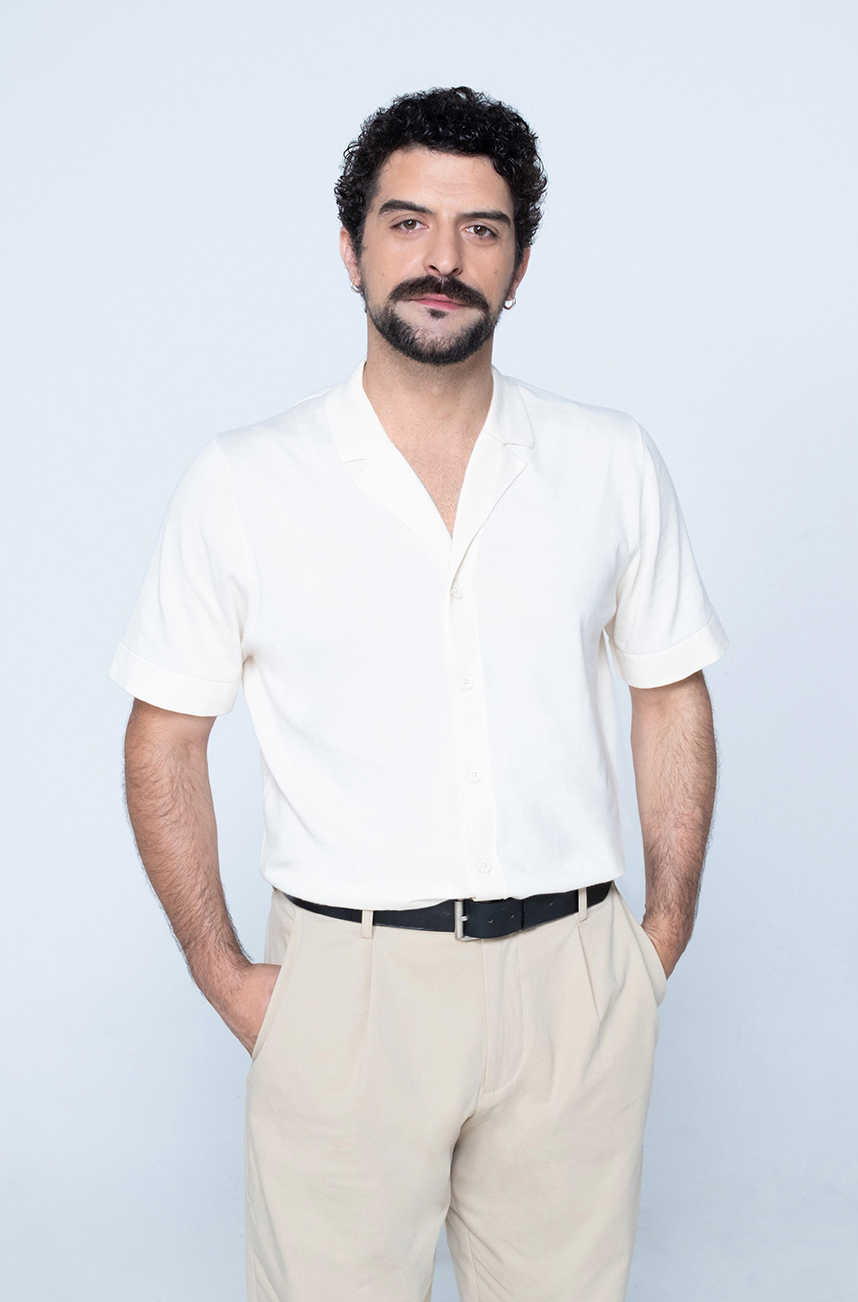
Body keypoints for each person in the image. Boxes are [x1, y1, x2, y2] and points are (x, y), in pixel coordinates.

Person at [109, 86, 727, 1302]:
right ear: (350, 251)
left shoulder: (606, 462)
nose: (441, 259)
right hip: (348, 988)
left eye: (479, 230)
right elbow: (162, 737)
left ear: (519, 264)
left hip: (574, 981)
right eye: (406, 223)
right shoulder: (246, 480)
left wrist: (657, 939)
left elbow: (671, 693)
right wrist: (224, 973)